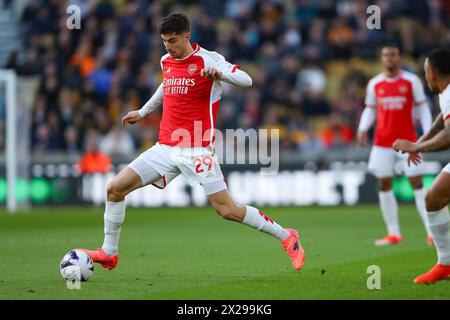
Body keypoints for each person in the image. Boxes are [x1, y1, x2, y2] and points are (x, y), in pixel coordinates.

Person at [79, 13, 304, 272]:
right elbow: (166, 86)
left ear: (187, 36)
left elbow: (247, 79)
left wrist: (219, 74)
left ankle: (287, 236)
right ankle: (109, 253)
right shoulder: (166, 60)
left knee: (226, 209)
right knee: (114, 189)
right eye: (164, 41)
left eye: (173, 41)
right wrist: (142, 112)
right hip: (164, 148)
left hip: (197, 150)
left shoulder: (209, 59)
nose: (168, 47)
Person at [357, 45, 433, 246]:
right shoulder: (375, 83)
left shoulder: (411, 81)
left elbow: (422, 107)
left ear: (399, 57)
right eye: (385, 55)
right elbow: (370, 109)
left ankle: (431, 231)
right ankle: (393, 233)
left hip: (409, 142)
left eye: (393, 54)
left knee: (417, 182)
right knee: (383, 184)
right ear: (381, 58)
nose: (389, 58)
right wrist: (363, 128)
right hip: (382, 143)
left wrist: (426, 135)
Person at [393, 48, 450, 284]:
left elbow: (449, 136)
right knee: (433, 198)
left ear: (432, 73)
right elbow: (442, 120)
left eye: (426, 71)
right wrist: (421, 141)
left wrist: (416, 148)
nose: (425, 76)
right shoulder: (445, 93)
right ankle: (446, 263)